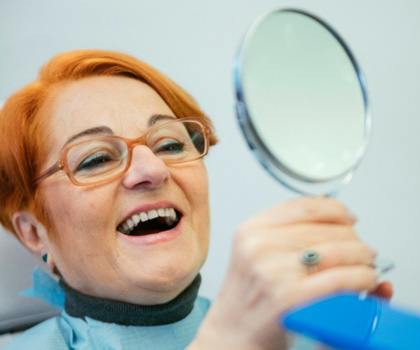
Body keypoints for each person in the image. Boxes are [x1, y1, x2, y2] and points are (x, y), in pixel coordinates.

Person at [0, 50, 392, 349]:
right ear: (34, 232)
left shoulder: (298, 336)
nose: (151, 170)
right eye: (97, 158)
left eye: (170, 143)